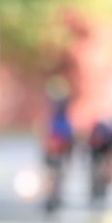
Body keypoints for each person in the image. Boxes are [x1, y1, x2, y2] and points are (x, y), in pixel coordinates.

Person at [42, 76, 74, 214]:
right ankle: (52, 196)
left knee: (55, 173)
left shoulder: (56, 114)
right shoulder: (57, 115)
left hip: (58, 142)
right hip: (57, 142)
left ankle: (53, 196)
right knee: (55, 173)